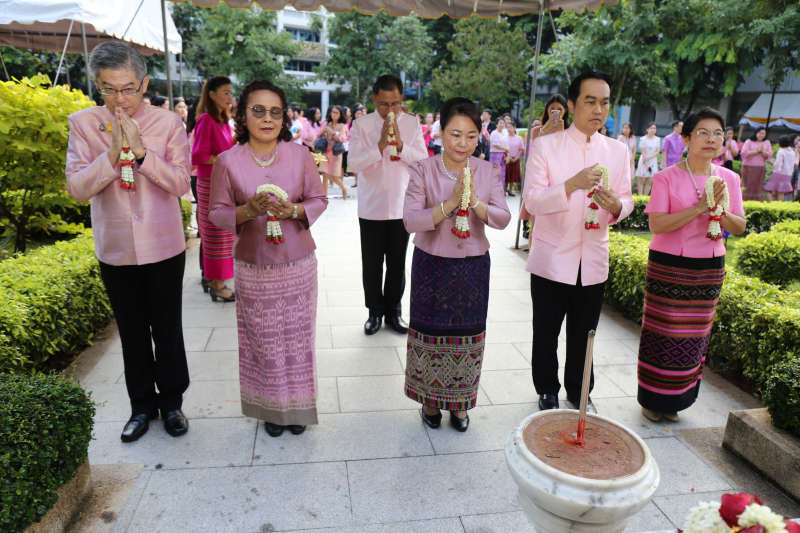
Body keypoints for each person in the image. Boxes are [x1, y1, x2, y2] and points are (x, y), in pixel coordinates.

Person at [65, 41, 190, 442]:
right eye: (109, 89)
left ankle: (171, 403)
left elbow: (182, 183)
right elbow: (77, 188)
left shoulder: (169, 124)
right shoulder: (83, 123)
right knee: (132, 331)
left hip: (164, 245)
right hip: (116, 248)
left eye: (129, 88)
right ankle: (141, 407)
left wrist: (140, 154)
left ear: (145, 83)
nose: (121, 99)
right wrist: (110, 155)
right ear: (96, 85)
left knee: (167, 329)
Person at [208, 79, 328, 438]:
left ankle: (299, 409)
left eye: (275, 112)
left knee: (297, 337)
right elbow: (216, 212)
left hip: (298, 263)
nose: (267, 118)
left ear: (284, 118)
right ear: (243, 115)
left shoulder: (301, 155)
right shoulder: (228, 162)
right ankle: (272, 409)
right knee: (263, 337)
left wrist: (294, 210)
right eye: (258, 110)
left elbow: (319, 200)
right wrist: (247, 210)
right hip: (254, 264)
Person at [522, 71, 634, 413]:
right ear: (571, 105)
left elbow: (627, 200)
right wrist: (571, 184)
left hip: (593, 256)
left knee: (585, 333)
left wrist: (617, 206)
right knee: (546, 329)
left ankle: (580, 390)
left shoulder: (617, 151)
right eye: (590, 101)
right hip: (552, 257)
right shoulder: (545, 146)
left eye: (604, 102)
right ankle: (546, 389)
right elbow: (532, 202)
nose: (598, 109)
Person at [403, 97, 511, 432]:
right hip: (431, 265)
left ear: (479, 136)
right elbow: (410, 220)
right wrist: (450, 203)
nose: (462, 143)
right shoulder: (423, 169)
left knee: (468, 334)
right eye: (455, 134)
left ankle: (461, 404)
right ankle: (430, 401)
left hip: (472, 267)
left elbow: (503, 218)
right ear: (440, 133)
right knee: (430, 334)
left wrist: (475, 201)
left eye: (470, 135)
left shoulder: (489, 171)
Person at [638, 108, 746, 423]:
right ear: (686, 138)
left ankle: (676, 401)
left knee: (694, 336)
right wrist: (700, 207)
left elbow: (738, 226)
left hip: (709, 266)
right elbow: (657, 225)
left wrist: (718, 210)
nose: (711, 139)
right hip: (669, 264)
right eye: (703, 132)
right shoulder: (666, 177)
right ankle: (651, 398)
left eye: (717, 133)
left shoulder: (729, 178)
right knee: (661, 331)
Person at [348, 74, 428, 335]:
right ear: (374, 100)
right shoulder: (360, 125)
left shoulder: (412, 123)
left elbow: (422, 160)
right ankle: (374, 312)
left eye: (394, 104)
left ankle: (394, 311)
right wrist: (381, 144)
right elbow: (353, 164)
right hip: (371, 205)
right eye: (383, 104)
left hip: (401, 205)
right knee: (371, 264)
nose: (389, 110)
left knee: (396, 263)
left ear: (402, 99)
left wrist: (401, 145)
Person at [191, 76, 236, 302]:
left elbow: (227, 149)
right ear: (211, 95)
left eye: (230, 93)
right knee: (217, 234)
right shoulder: (206, 119)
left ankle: (213, 279)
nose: (230, 97)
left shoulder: (223, 120)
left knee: (220, 233)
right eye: (225, 93)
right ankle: (218, 286)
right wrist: (225, 158)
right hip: (210, 185)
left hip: (223, 184)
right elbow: (198, 155)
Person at [519, 95, 570, 245]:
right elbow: (534, 152)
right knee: (536, 225)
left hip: (560, 180)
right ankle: (533, 261)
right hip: (541, 180)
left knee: (557, 223)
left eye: (559, 109)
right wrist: (545, 129)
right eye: (552, 109)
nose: (555, 112)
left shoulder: (570, 131)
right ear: (547, 110)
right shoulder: (536, 131)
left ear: (565, 111)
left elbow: (567, 156)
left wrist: (561, 134)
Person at [320, 105, 348, 199]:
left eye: (336, 113)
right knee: (325, 175)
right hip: (326, 152)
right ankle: (324, 197)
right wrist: (314, 142)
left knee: (335, 177)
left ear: (340, 115)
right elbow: (320, 133)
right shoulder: (327, 123)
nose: (334, 114)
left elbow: (341, 139)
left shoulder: (342, 126)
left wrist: (331, 132)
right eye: (332, 112)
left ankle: (344, 189)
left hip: (336, 153)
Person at [741, 127, 772, 202]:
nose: (762, 135)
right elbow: (744, 153)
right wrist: (757, 151)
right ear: (756, 133)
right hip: (748, 167)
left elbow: (769, 154)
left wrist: (762, 151)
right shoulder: (749, 141)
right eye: (760, 133)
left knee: (758, 185)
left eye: (763, 133)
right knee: (747, 185)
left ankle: (757, 202)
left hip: (761, 167)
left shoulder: (767, 142)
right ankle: (743, 201)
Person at [765, 135, 795, 202]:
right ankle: (779, 206)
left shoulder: (781, 151)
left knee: (768, 189)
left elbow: (778, 164)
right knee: (781, 191)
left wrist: (770, 162)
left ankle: (771, 205)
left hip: (778, 173)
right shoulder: (792, 151)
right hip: (788, 173)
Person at [636, 122, 661, 196]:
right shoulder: (642, 139)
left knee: (650, 180)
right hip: (644, 161)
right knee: (642, 180)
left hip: (653, 161)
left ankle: (645, 197)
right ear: (647, 129)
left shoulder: (657, 139)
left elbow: (657, 151)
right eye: (651, 128)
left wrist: (650, 157)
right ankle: (640, 197)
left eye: (654, 128)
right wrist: (646, 164)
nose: (653, 130)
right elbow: (643, 153)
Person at [489, 117, 510, 185]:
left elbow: (508, 145)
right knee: (495, 172)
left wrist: (508, 155)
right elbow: (496, 144)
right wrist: (506, 149)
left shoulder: (506, 134)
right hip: (495, 155)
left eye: (503, 123)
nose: (502, 124)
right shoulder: (494, 133)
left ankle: (500, 191)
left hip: (503, 155)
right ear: (496, 124)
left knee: (502, 173)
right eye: (500, 123)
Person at [505, 120, 524, 197]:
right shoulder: (505, 137)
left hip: (515, 158)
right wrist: (508, 156)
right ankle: (503, 191)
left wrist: (517, 157)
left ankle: (510, 191)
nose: (508, 129)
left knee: (513, 175)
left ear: (514, 128)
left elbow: (521, 148)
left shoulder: (519, 138)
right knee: (506, 175)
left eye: (510, 127)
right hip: (506, 158)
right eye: (507, 127)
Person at [349, 107, 365, 187]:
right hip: (354, 147)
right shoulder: (352, 123)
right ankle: (356, 181)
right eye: (357, 113)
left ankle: (361, 181)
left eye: (360, 114)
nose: (359, 115)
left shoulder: (365, 123)